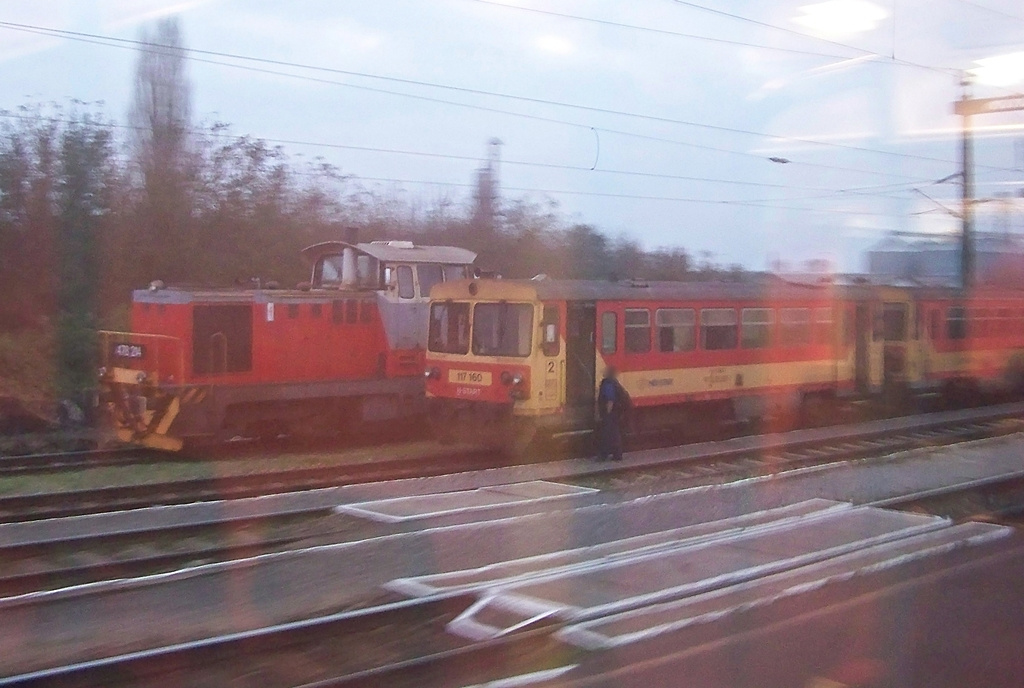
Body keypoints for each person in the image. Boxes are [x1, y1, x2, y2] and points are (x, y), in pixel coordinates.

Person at [596, 365, 629, 461]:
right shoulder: (614, 382)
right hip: (616, 412)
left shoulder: (608, 383)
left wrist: (607, 413)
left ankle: (604, 455)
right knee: (614, 434)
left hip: (611, 413)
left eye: (605, 371)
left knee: (608, 434)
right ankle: (617, 455)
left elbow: (610, 400)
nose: (603, 372)